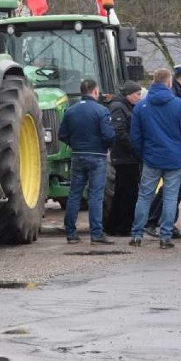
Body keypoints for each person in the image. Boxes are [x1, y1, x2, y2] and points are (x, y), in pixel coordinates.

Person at [129, 68, 181, 249]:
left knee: (144, 196)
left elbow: (135, 137)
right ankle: (165, 236)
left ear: (153, 81)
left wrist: (143, 154)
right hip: (174, 159)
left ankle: (137, 234)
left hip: (151, 158)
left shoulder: (141, 106)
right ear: (169, 83)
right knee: (170, 197)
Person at [59, 78, 116, 245]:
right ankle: (96, 234)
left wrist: (75, 144)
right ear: (95, 91)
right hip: (97, 156)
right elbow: (108, 135)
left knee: (74, 195)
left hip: (77, 155)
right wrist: (107, 145)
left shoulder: (70, 110)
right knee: (96, 196)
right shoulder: (101, 110)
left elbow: (62, 135)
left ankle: (71, 233)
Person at [144, 63, 181, 239]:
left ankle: (165, 223)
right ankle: (154, 222)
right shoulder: (174, 96)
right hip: (172, 151)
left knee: (174, 190)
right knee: (171, 191)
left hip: (171, 150)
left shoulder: (178, 94)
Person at [103, 81, 143, 237]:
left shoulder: (125, 106)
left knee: (123, 192)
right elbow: (119, 133)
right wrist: (135, 149)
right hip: (125, 157)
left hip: (127, 157)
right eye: (137, 94)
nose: (139, 97)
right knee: (127, 193)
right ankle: (121, 226)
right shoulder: (118, 107)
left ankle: (116, 225)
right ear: (129, 94)